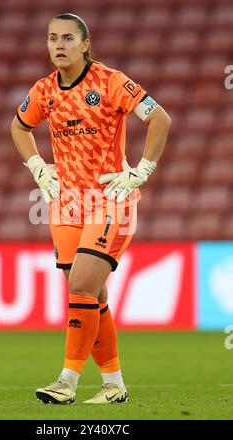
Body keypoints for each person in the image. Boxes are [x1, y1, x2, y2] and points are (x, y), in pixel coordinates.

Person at [11, 13, 171, 405]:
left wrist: (142, 171)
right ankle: (114, 385)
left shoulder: (111, 81)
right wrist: (36, 166)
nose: (58, 45)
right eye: (52, 38)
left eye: (67, 38)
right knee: (92, 296)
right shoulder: (44, 89)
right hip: (66, 203)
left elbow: (160, 119)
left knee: (80, 285)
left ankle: (66, 382)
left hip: (110, 198)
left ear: (85, 44)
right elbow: (19, 127)